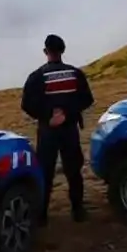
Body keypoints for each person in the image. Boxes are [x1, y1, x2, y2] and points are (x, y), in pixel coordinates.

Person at [20, 34, 94, 224]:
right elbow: (86, 99)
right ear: (63, 50)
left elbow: (27, 103)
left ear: (46, 51)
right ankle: (78, 210)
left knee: (45, 171)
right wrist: (67, 115)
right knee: (73, 170)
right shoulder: (75, 73)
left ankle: (42, 214)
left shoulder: (37, 76)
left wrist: (48, 117)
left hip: (48, 130)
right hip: (70, 129)